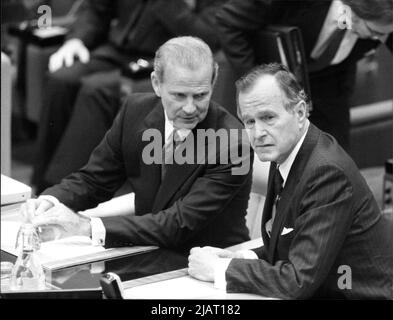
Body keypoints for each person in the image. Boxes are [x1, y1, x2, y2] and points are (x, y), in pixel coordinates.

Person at [23, 36, 253, 253]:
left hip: (203, 263)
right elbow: (95, 179)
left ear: (214, 82)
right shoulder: (134, 110)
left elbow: (178, 224)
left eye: (201, 95)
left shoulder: (233, 144)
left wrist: (86, 227)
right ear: (156, 84)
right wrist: (51, 200)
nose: (191, 108)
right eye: (179, 96)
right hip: (144, 248)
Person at [188, 63, 393, 299]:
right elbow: (293, 241)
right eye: (250, 122)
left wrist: (220, 270)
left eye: (268, 117)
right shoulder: (288, 148)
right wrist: (242, 258)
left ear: (299, 112)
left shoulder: (326, 171)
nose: (258, 133)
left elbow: (298, 280)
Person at [32, 0, 227, 193]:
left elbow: (208, 35)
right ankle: (39, 187)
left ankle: (65, 193)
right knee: (61, 79)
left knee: (96, 90)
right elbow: (96, 7)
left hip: (166, 63)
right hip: (116, 49)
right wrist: (77, 40)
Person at [215, 0, 393, 151]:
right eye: (376, 32)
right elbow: (228, 22)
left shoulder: (383, 19)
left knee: (334, 172)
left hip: (331, 92)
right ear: (356, 11)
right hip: (274, 85)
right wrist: (257, 83)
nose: (379, 39)